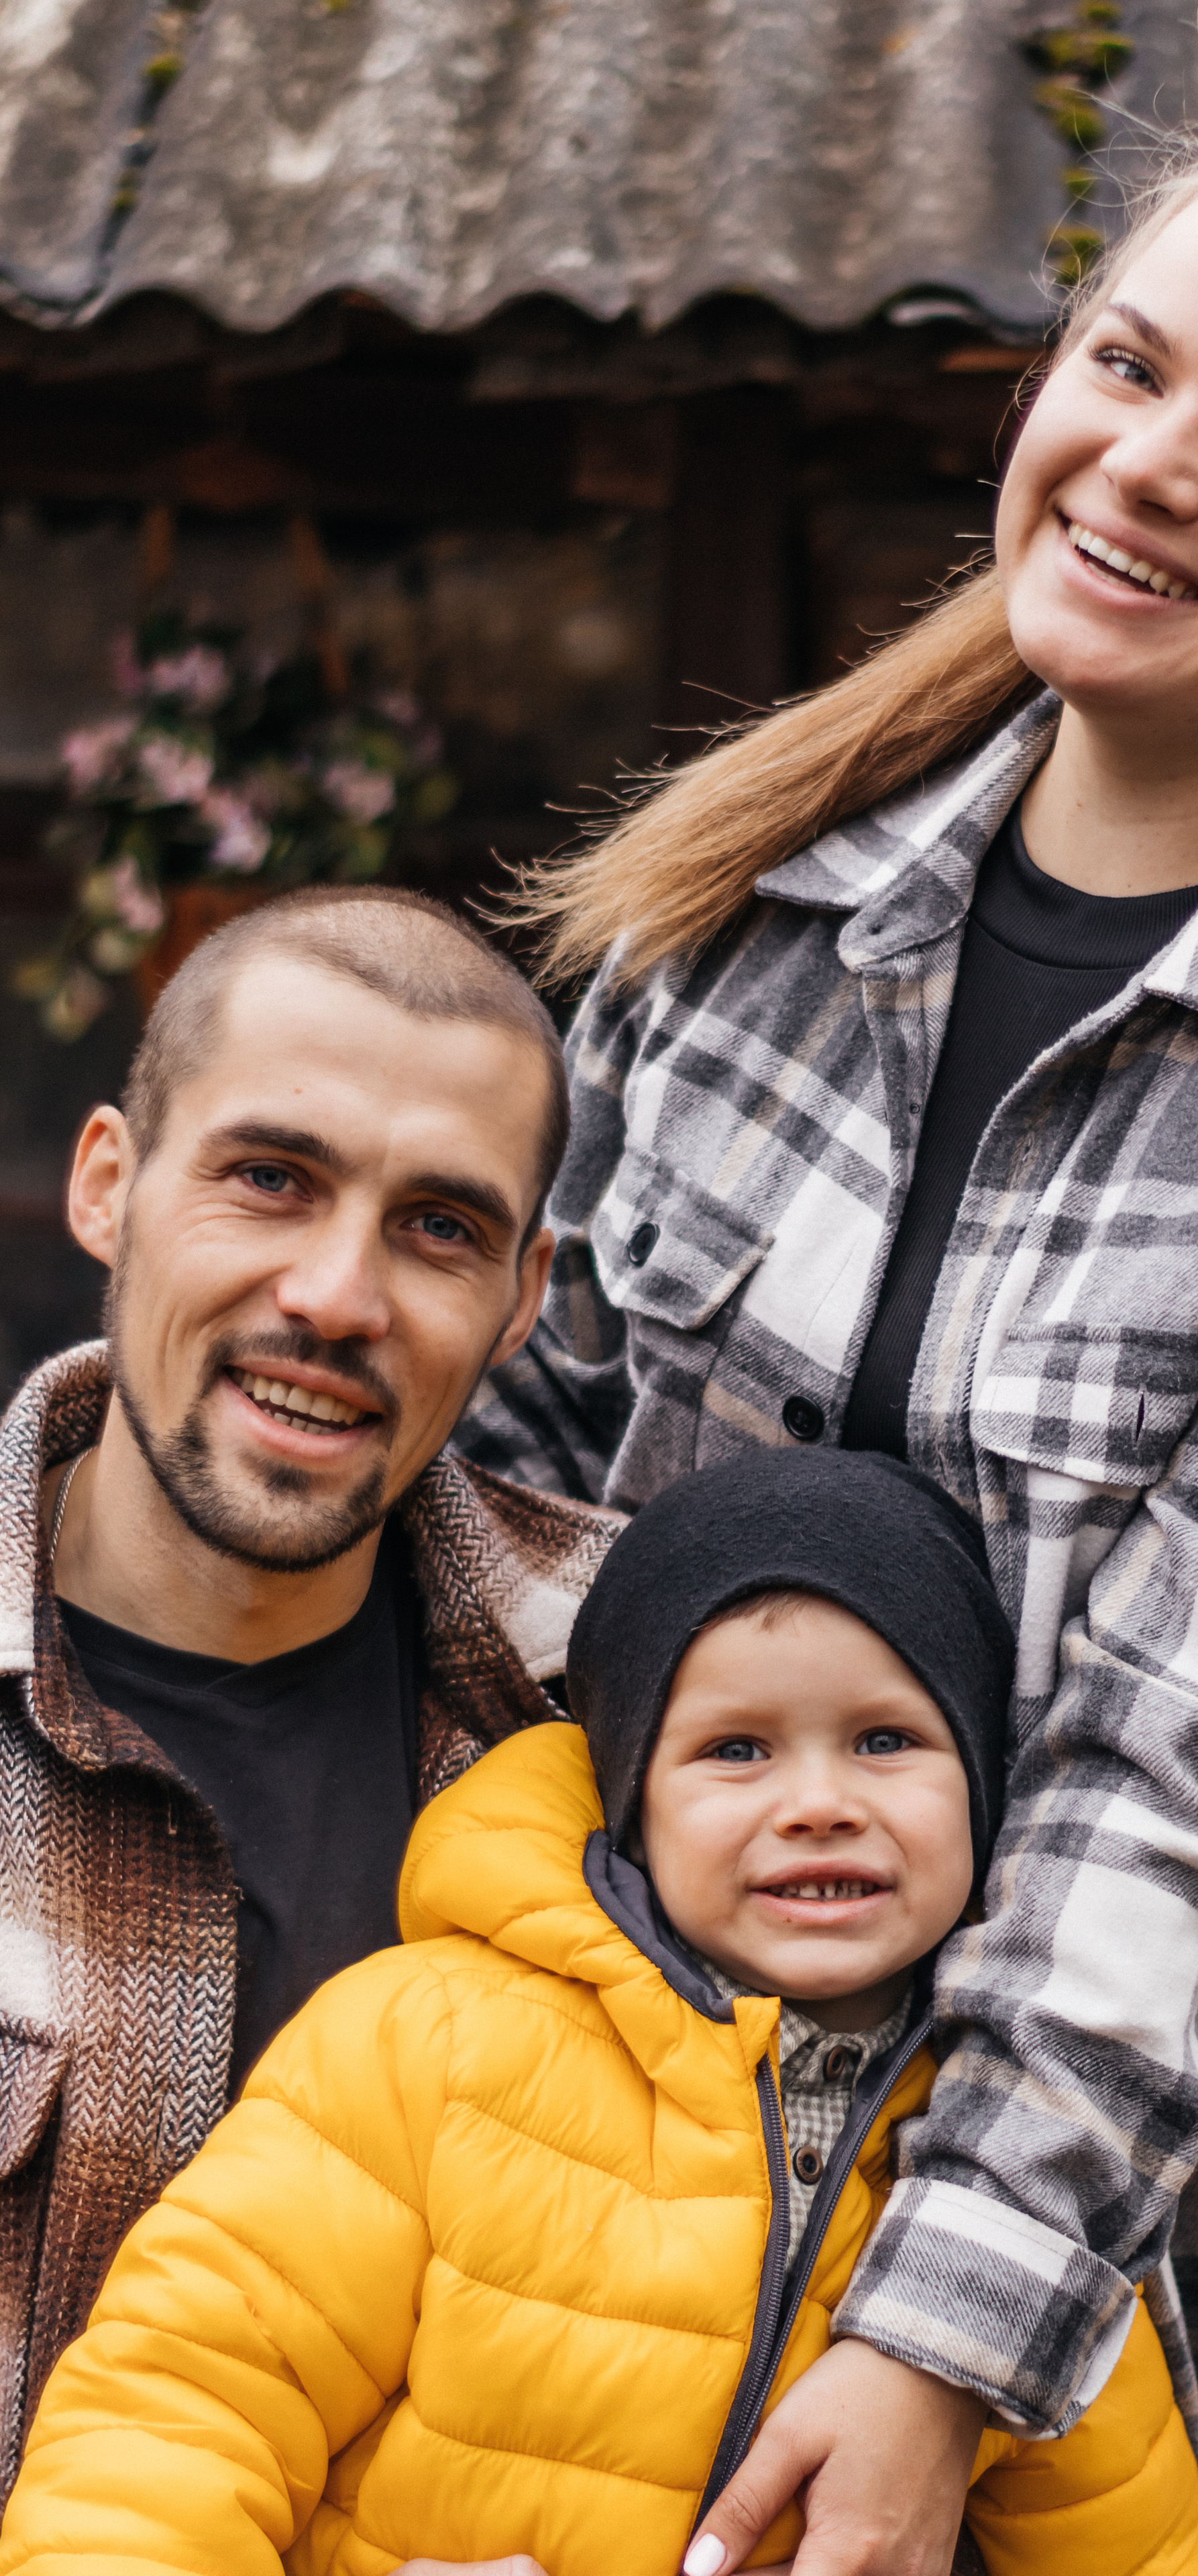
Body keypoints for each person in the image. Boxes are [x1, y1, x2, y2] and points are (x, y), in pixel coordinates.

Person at [458, 114, 1198, 2576]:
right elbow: (537, 1509)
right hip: (670, 2242)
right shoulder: (759, 913)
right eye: (1132, 369)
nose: (1153, 464)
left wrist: (933, 2345)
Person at [0, 1449, 1198, 2576]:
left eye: (886, 1740)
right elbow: (178, 2415)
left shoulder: (997, 2186)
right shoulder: (427, 2045)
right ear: (631, 1799)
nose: (817, 1803)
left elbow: (1135, 2549)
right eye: (736, 1750)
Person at [0, 887, 618, 2497]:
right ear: (110, 1186)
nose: (339, 1298)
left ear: (522, 1299)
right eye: (269, 1180)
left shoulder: (646, 1721)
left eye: (438, 1228)